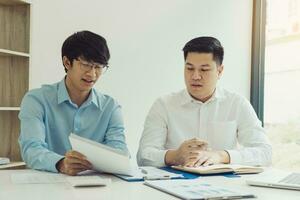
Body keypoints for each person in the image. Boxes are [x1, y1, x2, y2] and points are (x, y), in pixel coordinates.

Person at [137, 36, 272, 167]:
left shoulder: (236, 104)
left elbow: (265, 153)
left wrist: (221, 156)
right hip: (173, 183)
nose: (195, 76)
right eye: (189, 68)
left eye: (204, 69)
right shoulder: (164, 105)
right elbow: (143, 156)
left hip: (223, 184)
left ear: (219, 71)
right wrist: (175, 156)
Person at [19, 31, 128, 175]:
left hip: (96, 189)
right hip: (46, 187)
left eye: (98, 67)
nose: (92, 74)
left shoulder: (111, 107)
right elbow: (31, 149)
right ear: (67, 62)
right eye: (86, 65)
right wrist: (60, 163)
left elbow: (119, 152)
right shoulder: (36, 100)